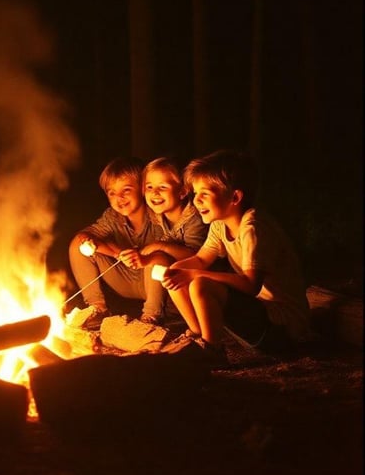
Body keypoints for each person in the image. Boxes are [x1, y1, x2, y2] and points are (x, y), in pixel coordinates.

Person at [161, 149, 311, 365]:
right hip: (260, 319)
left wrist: (194, 274)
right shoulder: (220, 224)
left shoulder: (254, 227)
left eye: (204, 194)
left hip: (283, 328)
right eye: (195, 193)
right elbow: (202, 259)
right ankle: (197, 334)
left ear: (235, 197)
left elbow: (251, 285)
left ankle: (213, 352)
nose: (196, 201)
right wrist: (175, 270)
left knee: (200, 284)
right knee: (177, 275)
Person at [68, 156, 171, 331]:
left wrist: (145, 256)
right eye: (112, 193)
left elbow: (174, 253)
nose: (119, 198)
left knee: (157, 259)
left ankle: (151, 317)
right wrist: (110, 250)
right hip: (126, 281)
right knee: (77, 245)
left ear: (142, 189)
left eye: (126, 190)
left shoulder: (158, 214)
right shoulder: (112, 217)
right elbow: (86, 235)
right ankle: (97, 308)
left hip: (158, 285)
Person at [140, 156, 209, 261]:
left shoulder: (195, 218)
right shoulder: (156, 217)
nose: (154, 193)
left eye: (162, 187)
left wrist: (161, 246)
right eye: (149, 187)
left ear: (182, 192)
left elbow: (196, 257)